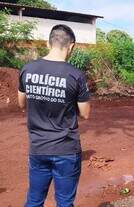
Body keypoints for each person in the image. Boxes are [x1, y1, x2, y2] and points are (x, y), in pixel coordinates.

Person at [18, 24, 91, 207]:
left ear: (48, 42)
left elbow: (21, 103)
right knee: (65, 202)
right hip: (66, 149)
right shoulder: (76, 75)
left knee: (34, 200)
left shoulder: (27, 70)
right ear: (71, 46)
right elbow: (85, 114)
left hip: (38, 148)